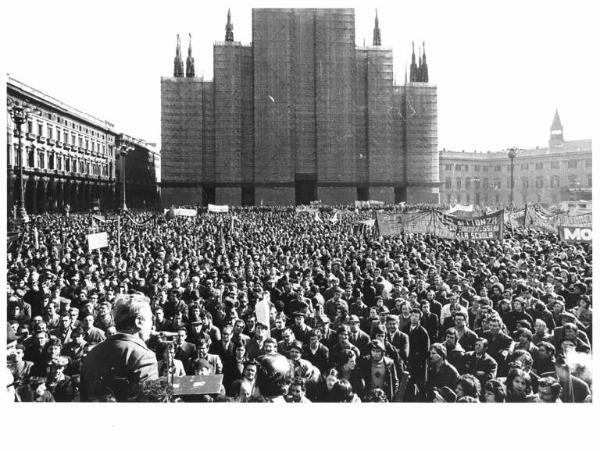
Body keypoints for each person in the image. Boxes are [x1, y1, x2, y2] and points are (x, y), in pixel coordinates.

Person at [80, 294, 158, 401]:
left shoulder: (93, 352)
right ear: (139, 321)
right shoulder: (144, 357)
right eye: (150, 319)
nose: (152, 326)